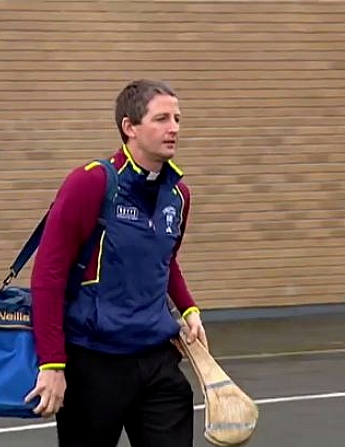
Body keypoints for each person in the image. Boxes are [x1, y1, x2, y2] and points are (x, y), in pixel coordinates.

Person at [25, 79, 207, 447]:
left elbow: (165, 260)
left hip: (157, 360)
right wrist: (52, 364)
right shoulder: (90, 183)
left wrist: (188, 309)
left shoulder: (178, 195)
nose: (173, 128)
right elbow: (48, 276)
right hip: (94, 364)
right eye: (161, 119)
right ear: (130, 128)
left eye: (177, 118)